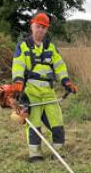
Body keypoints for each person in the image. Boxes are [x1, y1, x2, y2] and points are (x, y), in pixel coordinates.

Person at [11, 12, 77, 162]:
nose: (40, 30)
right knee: (33, 125)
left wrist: (66, 82)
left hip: (48, 93)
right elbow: (18, 65)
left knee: (57, 122)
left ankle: (58, 153)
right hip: (31, 93)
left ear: (47, 30)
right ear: (32, 26)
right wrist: (18, 81)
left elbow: (60, 66)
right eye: (38, 27)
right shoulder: (23, 46)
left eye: (44, 28)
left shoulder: (51, 48)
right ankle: (35, 155)